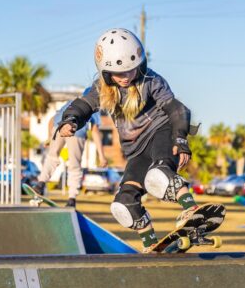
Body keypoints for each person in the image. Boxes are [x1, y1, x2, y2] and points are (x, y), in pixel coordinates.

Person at [56, 28, 199, 252]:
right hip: (135, 150)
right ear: (105, 72)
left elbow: (176, 109)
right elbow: (83, 106)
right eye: (118, 73)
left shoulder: (151, 80)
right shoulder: (100, 89)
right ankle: (151, 244)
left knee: (159, 175)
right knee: (123, 203)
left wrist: (180, 139)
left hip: (162, 132)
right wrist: (71, 120)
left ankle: (191, 209)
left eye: (131, 71)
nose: (126, 77)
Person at [35, 88, 107, 208]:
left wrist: (49, 137)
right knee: (75, 165)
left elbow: (52, 120)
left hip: (58, 128)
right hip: (77, 132)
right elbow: (95, 131)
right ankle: (71, 198)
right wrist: (102, 155)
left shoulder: (71, 102)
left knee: (51, 157)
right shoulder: (93, 106)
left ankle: (40, 184)